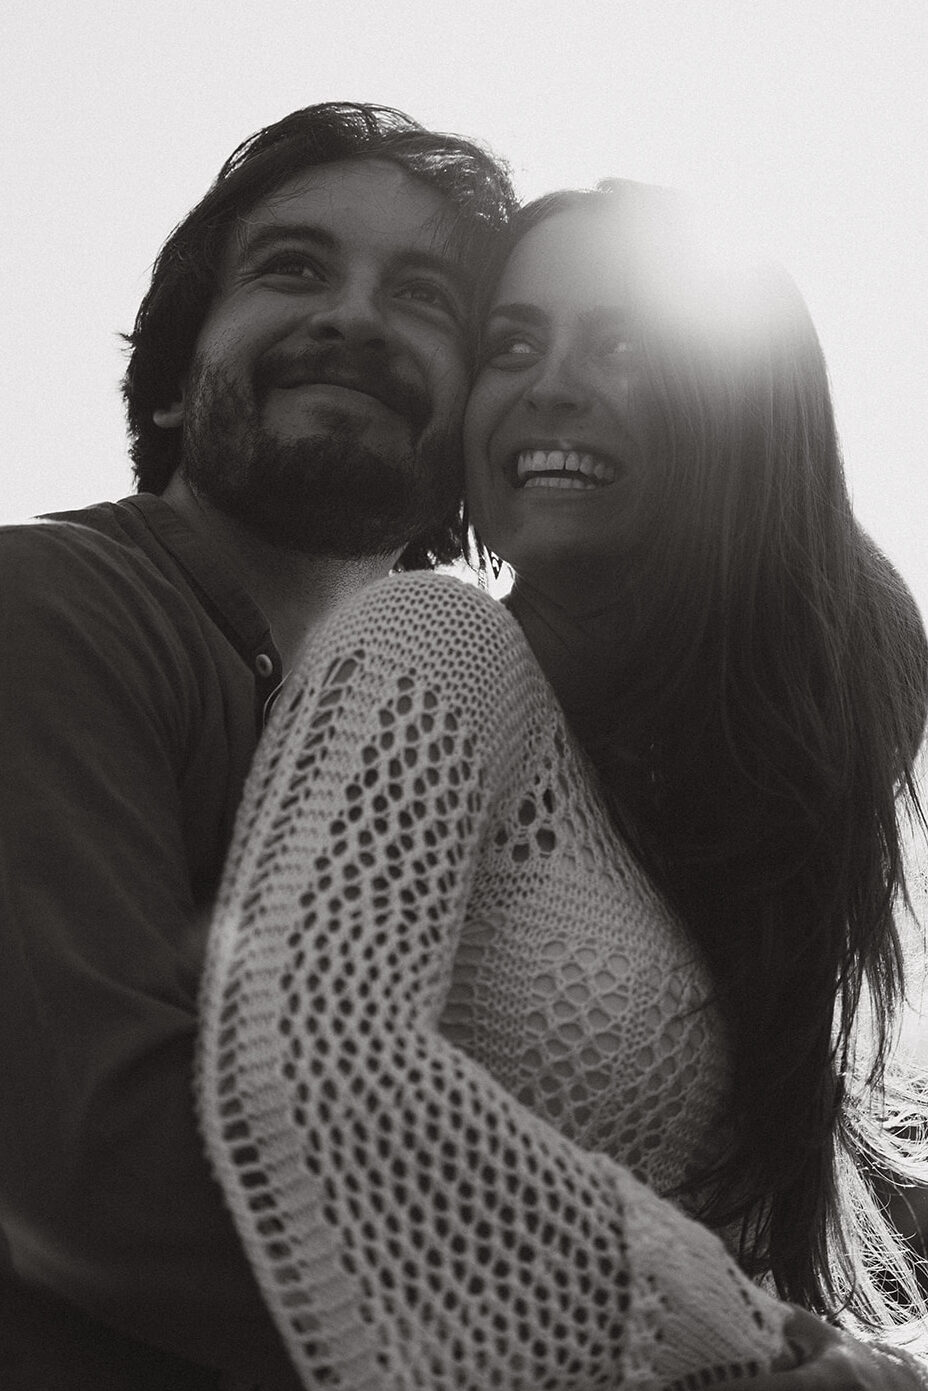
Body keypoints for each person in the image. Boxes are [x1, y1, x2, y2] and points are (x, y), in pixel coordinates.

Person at [198, 181, 928, 1388]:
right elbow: (315, 1054)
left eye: (622, 345)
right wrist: (759, 1342)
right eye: (511, 345)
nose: (549, 384)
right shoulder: (431, 640)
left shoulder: (724, 805)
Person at [0, 102, 514, 1390]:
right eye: (293, 267)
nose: (355, 317)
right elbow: (103, 1154)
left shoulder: (465, 730)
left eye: (425, 298)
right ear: (176, 381)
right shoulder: (50, 605)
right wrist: (646, 1331)